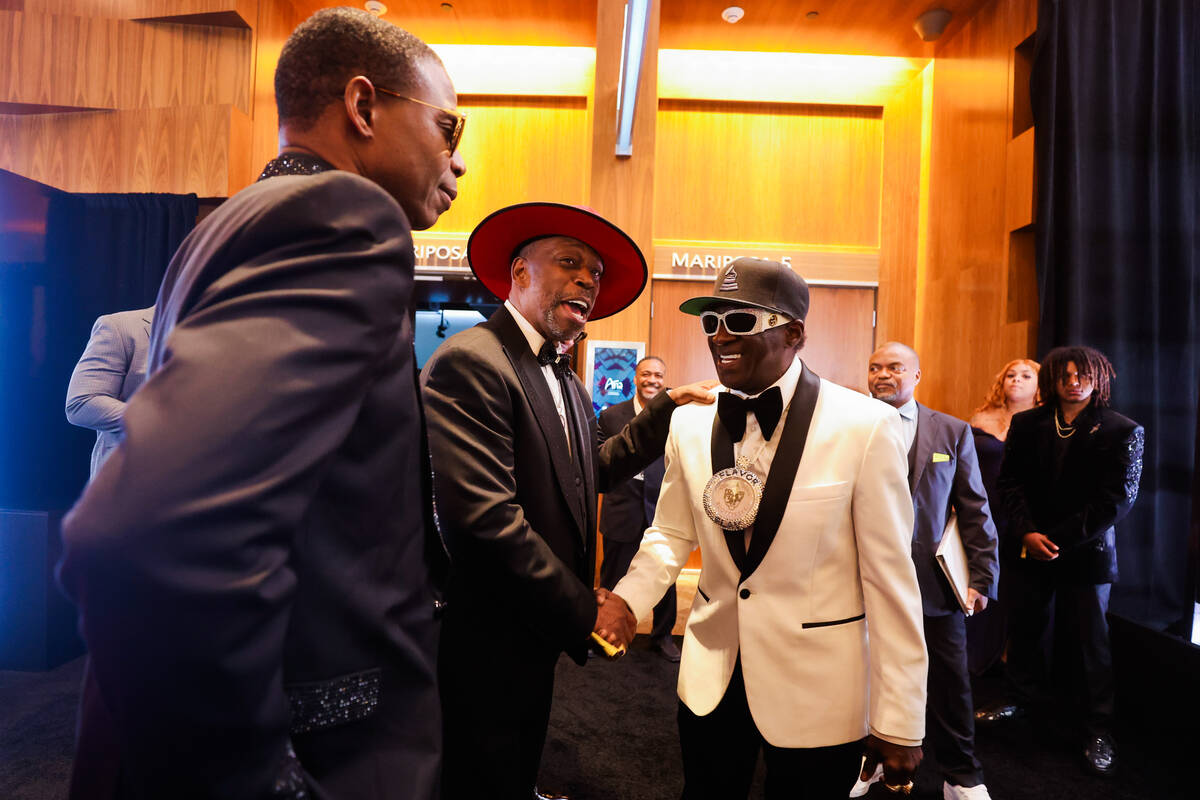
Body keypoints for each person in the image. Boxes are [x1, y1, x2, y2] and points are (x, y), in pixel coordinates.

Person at [56, 9, 465, 799]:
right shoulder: (346, 219)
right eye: (450, 128)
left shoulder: (226, 225)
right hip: (325, 750)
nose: (458, 162)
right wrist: (263, 781)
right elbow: (149, 533)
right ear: (363, 106)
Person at [597, 258, 928, 799]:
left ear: (794, 333)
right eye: (710, 322)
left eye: (741, 322)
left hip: (820, 689)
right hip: (710, 677)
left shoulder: (866, 427)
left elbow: (891, 581)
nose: (720, 336)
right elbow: (669, 532)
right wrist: (629, 601)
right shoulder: (688, 420)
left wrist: (900, 715)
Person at [421, 202, 715, 800]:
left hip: (534, 621)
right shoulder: (473, 362)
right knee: (480, 765)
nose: (587, 279)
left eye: (596, 274)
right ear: (519, 272)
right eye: (570, 262)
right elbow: (485, 521)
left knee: (519, 750)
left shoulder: (568, 378)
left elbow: (590, 471)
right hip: (488, 625)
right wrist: (587, 608)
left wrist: (665, 411)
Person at [979, 346, 1143, 776]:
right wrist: (1026, 532)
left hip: (1086, 552)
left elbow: (1116, 501)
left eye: (1082, 374)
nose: (1074, 381)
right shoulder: (1028, 423)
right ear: (1051, 378)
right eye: (1065, 374)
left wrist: (1056, 538)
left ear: (1098, 377)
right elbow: (1008, 483)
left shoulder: (1121, 429)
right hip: (1028, 545)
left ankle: (1098, 728)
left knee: (1091, 642)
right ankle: (1018, 700)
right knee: (1026, 629)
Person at [867, 342, 998, 800]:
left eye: (895, 367)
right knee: (866, 676)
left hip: (934, 586)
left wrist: (981, 577)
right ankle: (870, 764)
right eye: (875, 367)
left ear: (917, 376)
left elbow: (974, 508)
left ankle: (961, 774)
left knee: (949, 682)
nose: (883, 374)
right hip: (863, 582)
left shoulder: (953, 431)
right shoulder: (848, 428)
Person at [597, 355, 680, 662]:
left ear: (664, 378)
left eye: (658, 375)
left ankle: (663, 637)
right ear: (635, 377)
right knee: (612, 576)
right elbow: (600, 460)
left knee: (664, 580)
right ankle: (603, 631)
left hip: (662, 508)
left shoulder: (678, 415)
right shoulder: (611, 416)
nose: (652, 380)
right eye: (646, 374)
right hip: (622, 508)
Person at [966, 358, 1039, 675]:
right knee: (980, 583)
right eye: (1011, 375)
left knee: (1013, 588)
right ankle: (975, 661)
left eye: (1026, 375)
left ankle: (1007, 663)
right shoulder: (981, 417)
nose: (1017, 380)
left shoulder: (1043, 422)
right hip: (983, 511)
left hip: (1022, 517)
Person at [65, 306, 154, 478]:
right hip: (129, 477)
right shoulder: (120, 326)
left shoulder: (218, 334)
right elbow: (81, 402)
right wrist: (161, 421)